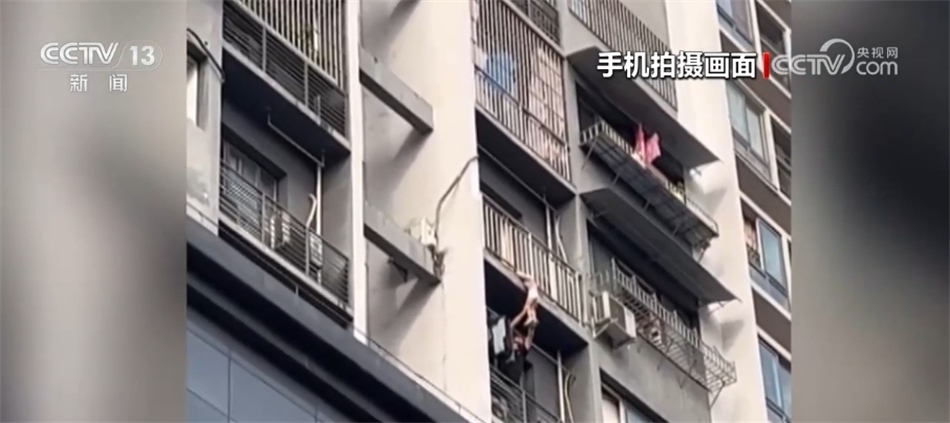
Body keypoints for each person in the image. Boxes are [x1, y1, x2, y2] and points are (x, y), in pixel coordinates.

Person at [510, 271, 540, 346]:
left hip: (532, 295)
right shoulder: (533, 283)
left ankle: (531, 318)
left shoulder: (530, 280)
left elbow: (512, 326)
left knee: (528, 307)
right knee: (531, 308)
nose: (517, 339)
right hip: (535, 296)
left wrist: (517, 273)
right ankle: (533, 318)